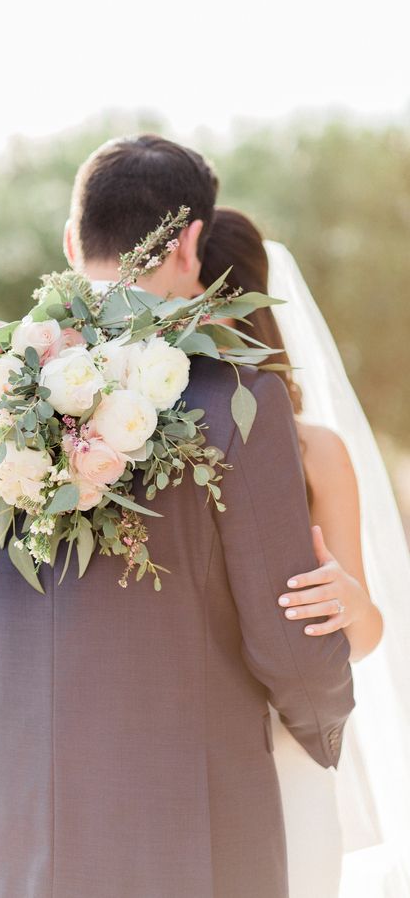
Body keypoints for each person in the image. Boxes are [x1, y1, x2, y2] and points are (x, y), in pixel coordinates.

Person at [0, 135, 355, 898]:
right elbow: (291, 647)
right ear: (191, 243)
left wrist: (60, 707)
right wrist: (326, 721)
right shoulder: (236, 403)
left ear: (69, 239)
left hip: (15, 843)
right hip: (197, 846)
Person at [198, 207, 410, 897]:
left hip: (288, 751)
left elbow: (368, 632)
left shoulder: (316, 449)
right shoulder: (142, 439)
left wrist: (347, 599)